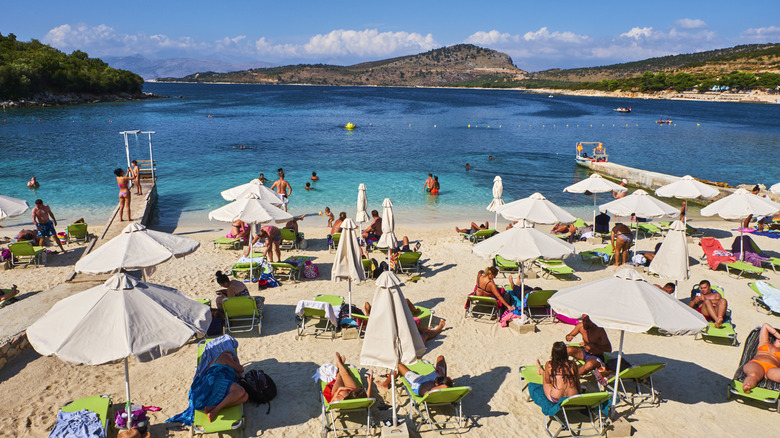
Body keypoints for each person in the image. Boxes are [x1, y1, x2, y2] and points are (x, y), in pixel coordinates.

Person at [364, 299, 445, 344]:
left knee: (406, 305)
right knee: (425, 334)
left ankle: (422, 327)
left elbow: (366, 304)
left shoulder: (376, 321)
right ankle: (438, 329)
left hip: (386, 334)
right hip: (403, 340)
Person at [197, 350, 248, 422]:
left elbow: (239, 375)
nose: (232, 358)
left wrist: (234, 364)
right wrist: (236, 360)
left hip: (219, 382)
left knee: (245, 397)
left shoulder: (225, 364)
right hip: (215, 379)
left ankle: (214, 408)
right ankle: (215, 410)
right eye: (232, 356)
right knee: (240, 391)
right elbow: (241, 369)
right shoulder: (224, 356)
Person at [379, 355, 453, 396]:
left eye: (438, 379)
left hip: (418, 381)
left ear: (436, 384)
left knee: (398, 364)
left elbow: (443, 387)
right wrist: (442, 376)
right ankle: (416, 358)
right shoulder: (439, 379)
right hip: (434, 379)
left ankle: (385, 384)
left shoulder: (429, 391)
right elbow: (440, 357)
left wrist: (442, 383)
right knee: (441, 358)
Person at [742, 323, 780, 393]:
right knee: (754, 374)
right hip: (757, 363)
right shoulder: (764, 342)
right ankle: (748, 385)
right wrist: (778, 335)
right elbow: (765, 326)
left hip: (772, 369)